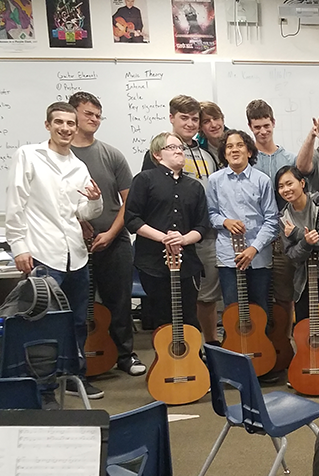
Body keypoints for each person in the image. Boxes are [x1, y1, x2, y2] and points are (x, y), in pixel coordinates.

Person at [6, 101, 103, 400]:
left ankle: (76, 377)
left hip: (76, 256)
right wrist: (19, 246)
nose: (65, 128)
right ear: (48, 125)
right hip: (43, 255)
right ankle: (45, 387)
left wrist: (96, 200)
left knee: (76, 322)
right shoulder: (29, 156)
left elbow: (83, 212)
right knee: (44, 327)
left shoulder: (78, 165)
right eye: (59, 122)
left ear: (76, 128)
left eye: (70, 124)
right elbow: (15, 204)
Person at [68, 91, 146, 378]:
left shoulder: (111, 154)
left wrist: (112, 233)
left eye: (98, 115)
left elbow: (129, 202)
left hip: (113, 241)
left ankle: (125, 355)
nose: (94, 119)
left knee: (119, 301)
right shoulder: (60, 156)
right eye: (88, 113)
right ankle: (78, 360)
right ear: (72, 114)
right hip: (73, 243)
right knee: (79, 305)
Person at [141, 95, 221, 345]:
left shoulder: (207, 153)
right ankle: (178, 351)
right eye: (183, 118)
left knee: (205, 296)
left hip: (203, 234)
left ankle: (207, 345)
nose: (189, 123)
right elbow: (150, 202)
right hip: (170, 244)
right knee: (177, 304)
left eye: (194, 119)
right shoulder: (156, 155)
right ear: (171, 118)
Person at [125, 132, 210, 331]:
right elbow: (132, 219)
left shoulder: (195, 187)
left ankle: (192, 361)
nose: (179, 151)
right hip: (153, 264)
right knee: (162, 319)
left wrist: (183, 239)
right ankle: (165, 361)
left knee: (189, 318)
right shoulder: (144, 180)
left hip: (187, 264)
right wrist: (164, 238)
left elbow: (202, 226)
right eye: (172, 147)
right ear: (157, 154)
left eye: (181, 148)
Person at [206, 130, 279, 320]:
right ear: (224, 153)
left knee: (260, 310)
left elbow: (271, 220)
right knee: (232, 312)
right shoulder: (214, 181)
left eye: (239, 145)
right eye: (229, 146)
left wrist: (253, 249)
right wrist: (225, 222)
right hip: (229, 256)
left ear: (249, 152)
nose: (234, 150)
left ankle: (260, 349)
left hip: (259, 256)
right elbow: (210, 214)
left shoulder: (262, 180)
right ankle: (234, 350)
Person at [277, 166, 319, 361]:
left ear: (302, 183)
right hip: (303, 277)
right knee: (304, 324)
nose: (286, 189)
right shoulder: (284, 217)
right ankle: (306, 363)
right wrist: (307, 242)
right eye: (281, 186)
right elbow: (292, 254)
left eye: (289, 183)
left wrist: (299, 235)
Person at [246, 99, 298, 341]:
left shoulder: (289, 158)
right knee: (254, 296)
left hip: (280, 238)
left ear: (273, 123)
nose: (262, 131)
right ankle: (258, 344)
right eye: (257, 127)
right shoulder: (246, 160)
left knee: (283, 296)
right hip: (250, 239)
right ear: (250, 127)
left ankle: (283, 344)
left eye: (266, 125)